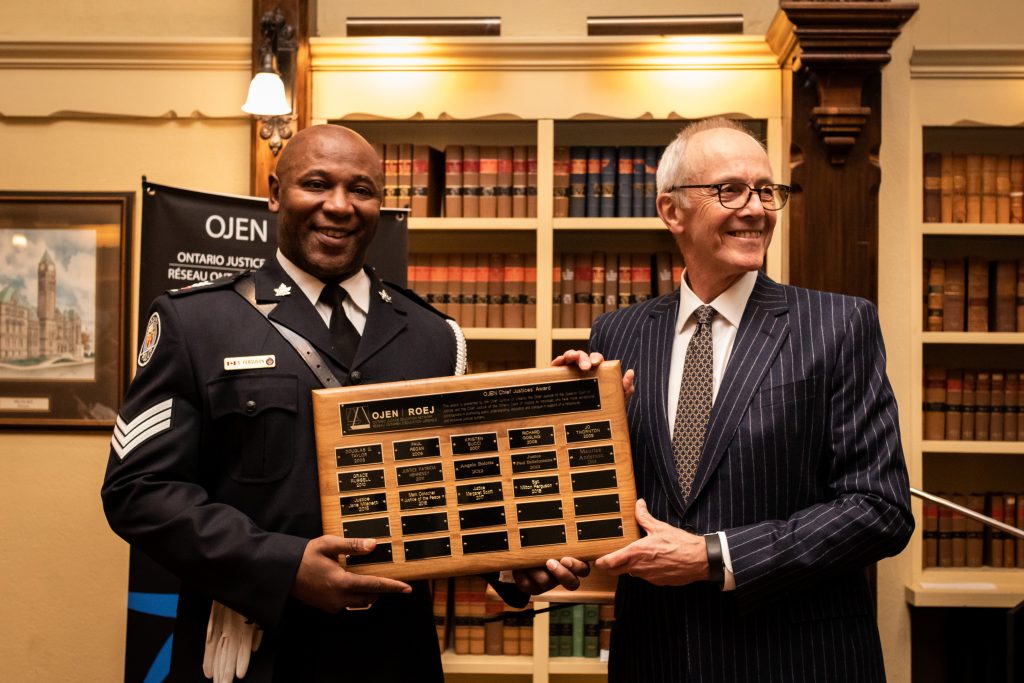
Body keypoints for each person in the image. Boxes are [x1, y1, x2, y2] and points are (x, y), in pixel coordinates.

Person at [102, 124, 587, 683]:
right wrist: (282, 568)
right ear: (274, 192)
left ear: (380, 203)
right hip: (253, 649)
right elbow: (138, 491)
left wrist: (512, 563)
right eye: (316, 184)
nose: (339, 206)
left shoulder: (433, 336)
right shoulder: (197, 322)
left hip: (393, 652)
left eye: (361, 190)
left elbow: (458, 492)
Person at [555, 118, 914, 682]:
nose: (756, 208)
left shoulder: (838, 325)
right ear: (672, 210)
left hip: (797, 660)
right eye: (730, 190)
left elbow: (880, 510)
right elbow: (596, 498)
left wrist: (714, 556)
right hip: (656, 656)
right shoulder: (616, 336)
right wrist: (566, 421)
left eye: (766, 191)